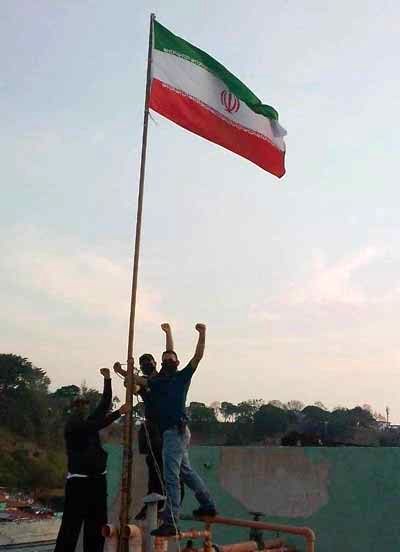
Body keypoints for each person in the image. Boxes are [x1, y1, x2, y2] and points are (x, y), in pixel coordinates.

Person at [128, 323, 217, 536]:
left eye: (171, 358)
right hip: (175, 433)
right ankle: (208, 505)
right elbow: (138, 381)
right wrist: (127, 371)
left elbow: (197, 356)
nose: (168, 360)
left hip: (175, 433)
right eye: (165, 358)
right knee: (186, 472)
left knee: (171, 476)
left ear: (176, 362)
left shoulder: (182, 376)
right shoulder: (157, 382)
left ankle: (172, 521)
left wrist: (202, 334)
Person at [114, 323, 184, 520]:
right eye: (144, 363)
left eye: (149, 362)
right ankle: (154, 500)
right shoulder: (144, 383)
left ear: (156, 363)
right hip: (152, 427)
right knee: (153, 464)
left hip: (167, 428)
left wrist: (169, 332)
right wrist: (122, 373)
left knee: (170, 467)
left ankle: (169, 502)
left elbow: (170, 353)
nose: (147, 365)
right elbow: (134, 386)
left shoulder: (162, 377)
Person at [54, 368, 128, 552]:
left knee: (96, 527)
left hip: (97, 481)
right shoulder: (74, 424)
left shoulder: (87, 421)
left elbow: (104, 405)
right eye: (79, 404)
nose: (83, 407)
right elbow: (96, 424)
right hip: (78, 482)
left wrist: (108, 379)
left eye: (85, 404)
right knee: (71, 527)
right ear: (73, 407)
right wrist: (119, 413)